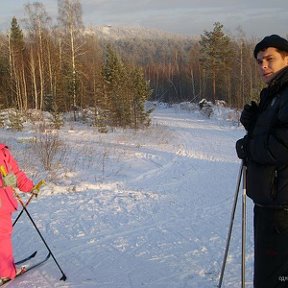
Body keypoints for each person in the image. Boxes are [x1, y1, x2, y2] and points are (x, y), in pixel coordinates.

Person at [236, 34, 288, 287]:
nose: (263, 65)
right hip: (271, 201)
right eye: (259, 61)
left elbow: (282, 145)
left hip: (283, 208)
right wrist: (254, 123)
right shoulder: (275, 93)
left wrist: (249, 145)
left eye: (270, 59)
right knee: (269, 274)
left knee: (276, 279)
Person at [0, 143, 34, 282]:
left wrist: (30, 187)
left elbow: (16, 173)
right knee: (2, 239)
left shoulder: (3, 152)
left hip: (4, 203)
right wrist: (2, 182)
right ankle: (5, 273)